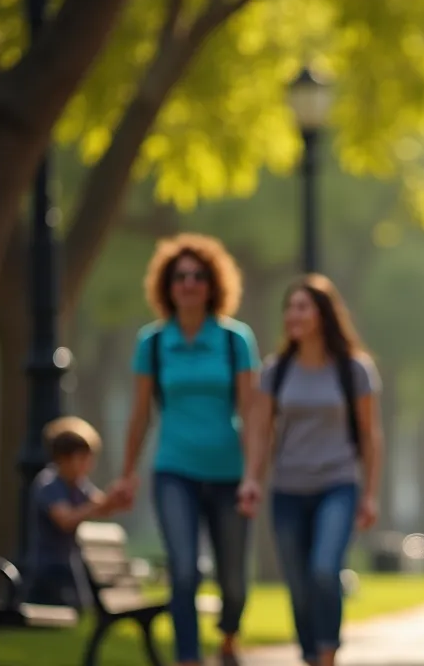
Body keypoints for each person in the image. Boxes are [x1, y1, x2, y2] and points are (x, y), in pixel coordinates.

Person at [112, 233, 261, 666]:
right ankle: (188, 657)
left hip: (229, 471)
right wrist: (127, 472)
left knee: (233, 581)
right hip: (174, 469)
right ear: (167, 285)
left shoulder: (235, 340)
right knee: (183, 569)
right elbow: (140, 415)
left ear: (213, 284)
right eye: (180, 277)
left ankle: (229, 635)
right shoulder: (153, 343)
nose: (189, 284)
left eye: (198, 276)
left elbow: (252, 413)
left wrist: (253, 475)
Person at [238, 274, 384, 666]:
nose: (293, 315)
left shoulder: (354, 369)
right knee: (298, 583)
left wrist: (370, 494)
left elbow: (370, 435)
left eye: (302, 307)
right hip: (288, 488)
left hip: (337, 484)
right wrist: (252, 479)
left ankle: (327, 652)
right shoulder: (277, 370)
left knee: (323, 569)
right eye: (289, 307)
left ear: (323, 314)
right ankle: (309, 653)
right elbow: (261, 431)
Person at [25, 416, 131, 608]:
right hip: (48, 570)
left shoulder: (79, 484)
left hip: (70, 565)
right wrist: (99, 506)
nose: (88, 464)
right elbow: (65, 520)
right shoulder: (48, 483)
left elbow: (101, 506)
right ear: (64, 459)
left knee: (83, 608)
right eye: (82, 458)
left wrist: (117, 498)